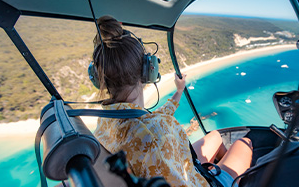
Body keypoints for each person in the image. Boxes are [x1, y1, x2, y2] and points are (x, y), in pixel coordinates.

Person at [93, 15, 253, 187]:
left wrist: (179, 91)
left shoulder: (106, 121)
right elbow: (155, 128)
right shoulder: (155, 133)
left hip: (178, 167)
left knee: (214, 136)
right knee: (245, 143)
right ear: (149, 70)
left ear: (97, 77)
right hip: (190, 180)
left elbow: (152, 119)